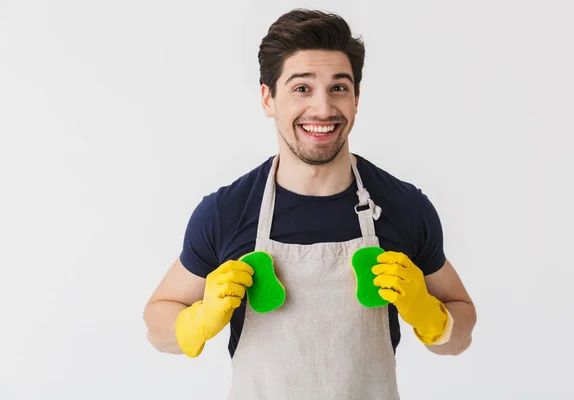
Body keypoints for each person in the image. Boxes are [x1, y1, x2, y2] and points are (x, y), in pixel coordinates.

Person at [143, 8, 477, 399]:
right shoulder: (227, 212)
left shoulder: (404, 206)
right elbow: (156, 323)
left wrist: (433, 317)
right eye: (302, 88)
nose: (322, 109)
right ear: (268, 98)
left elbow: (459, 336)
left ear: (355, 99)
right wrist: (195, 321)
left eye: (339, 87)